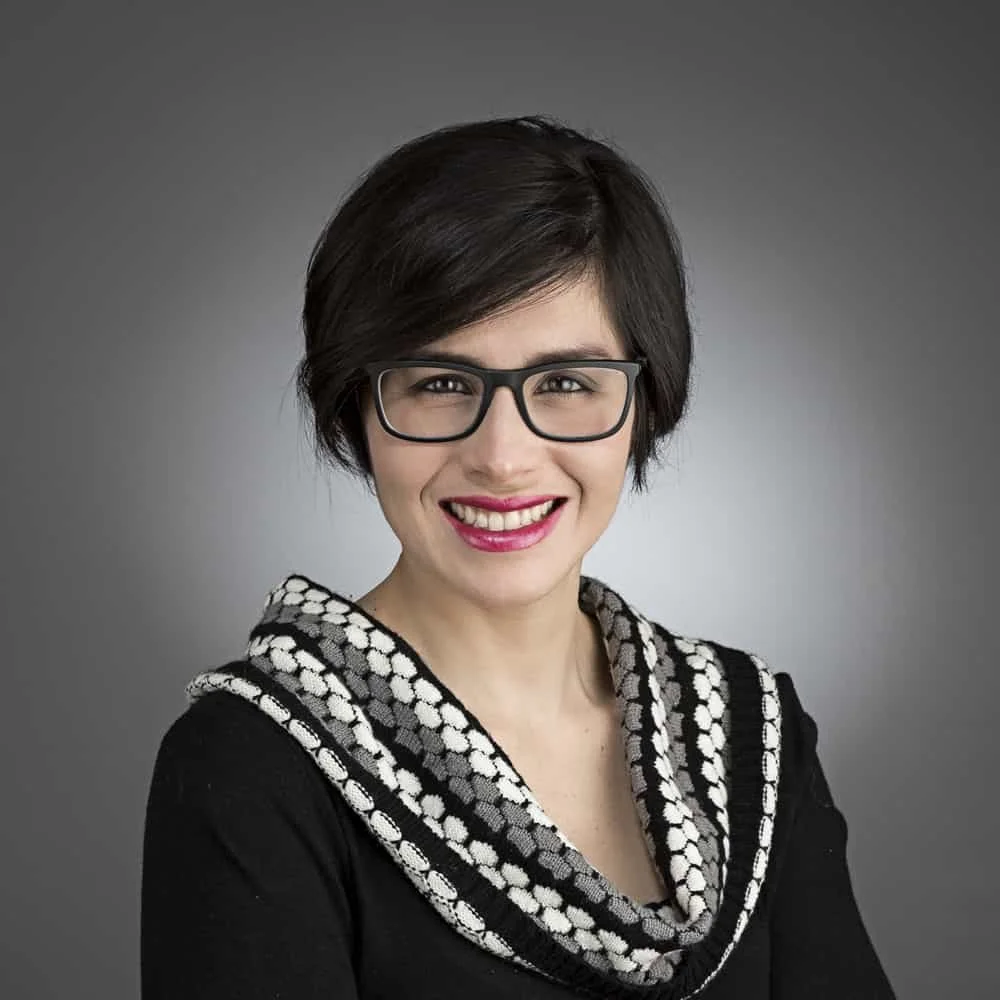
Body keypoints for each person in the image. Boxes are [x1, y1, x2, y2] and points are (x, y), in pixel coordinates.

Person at [140, 115, 895, 998]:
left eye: (566, 383)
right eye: (439, 383)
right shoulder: (248, 764)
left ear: (645, 404)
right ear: (357, 408)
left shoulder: (749, 731)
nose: (502, 457)